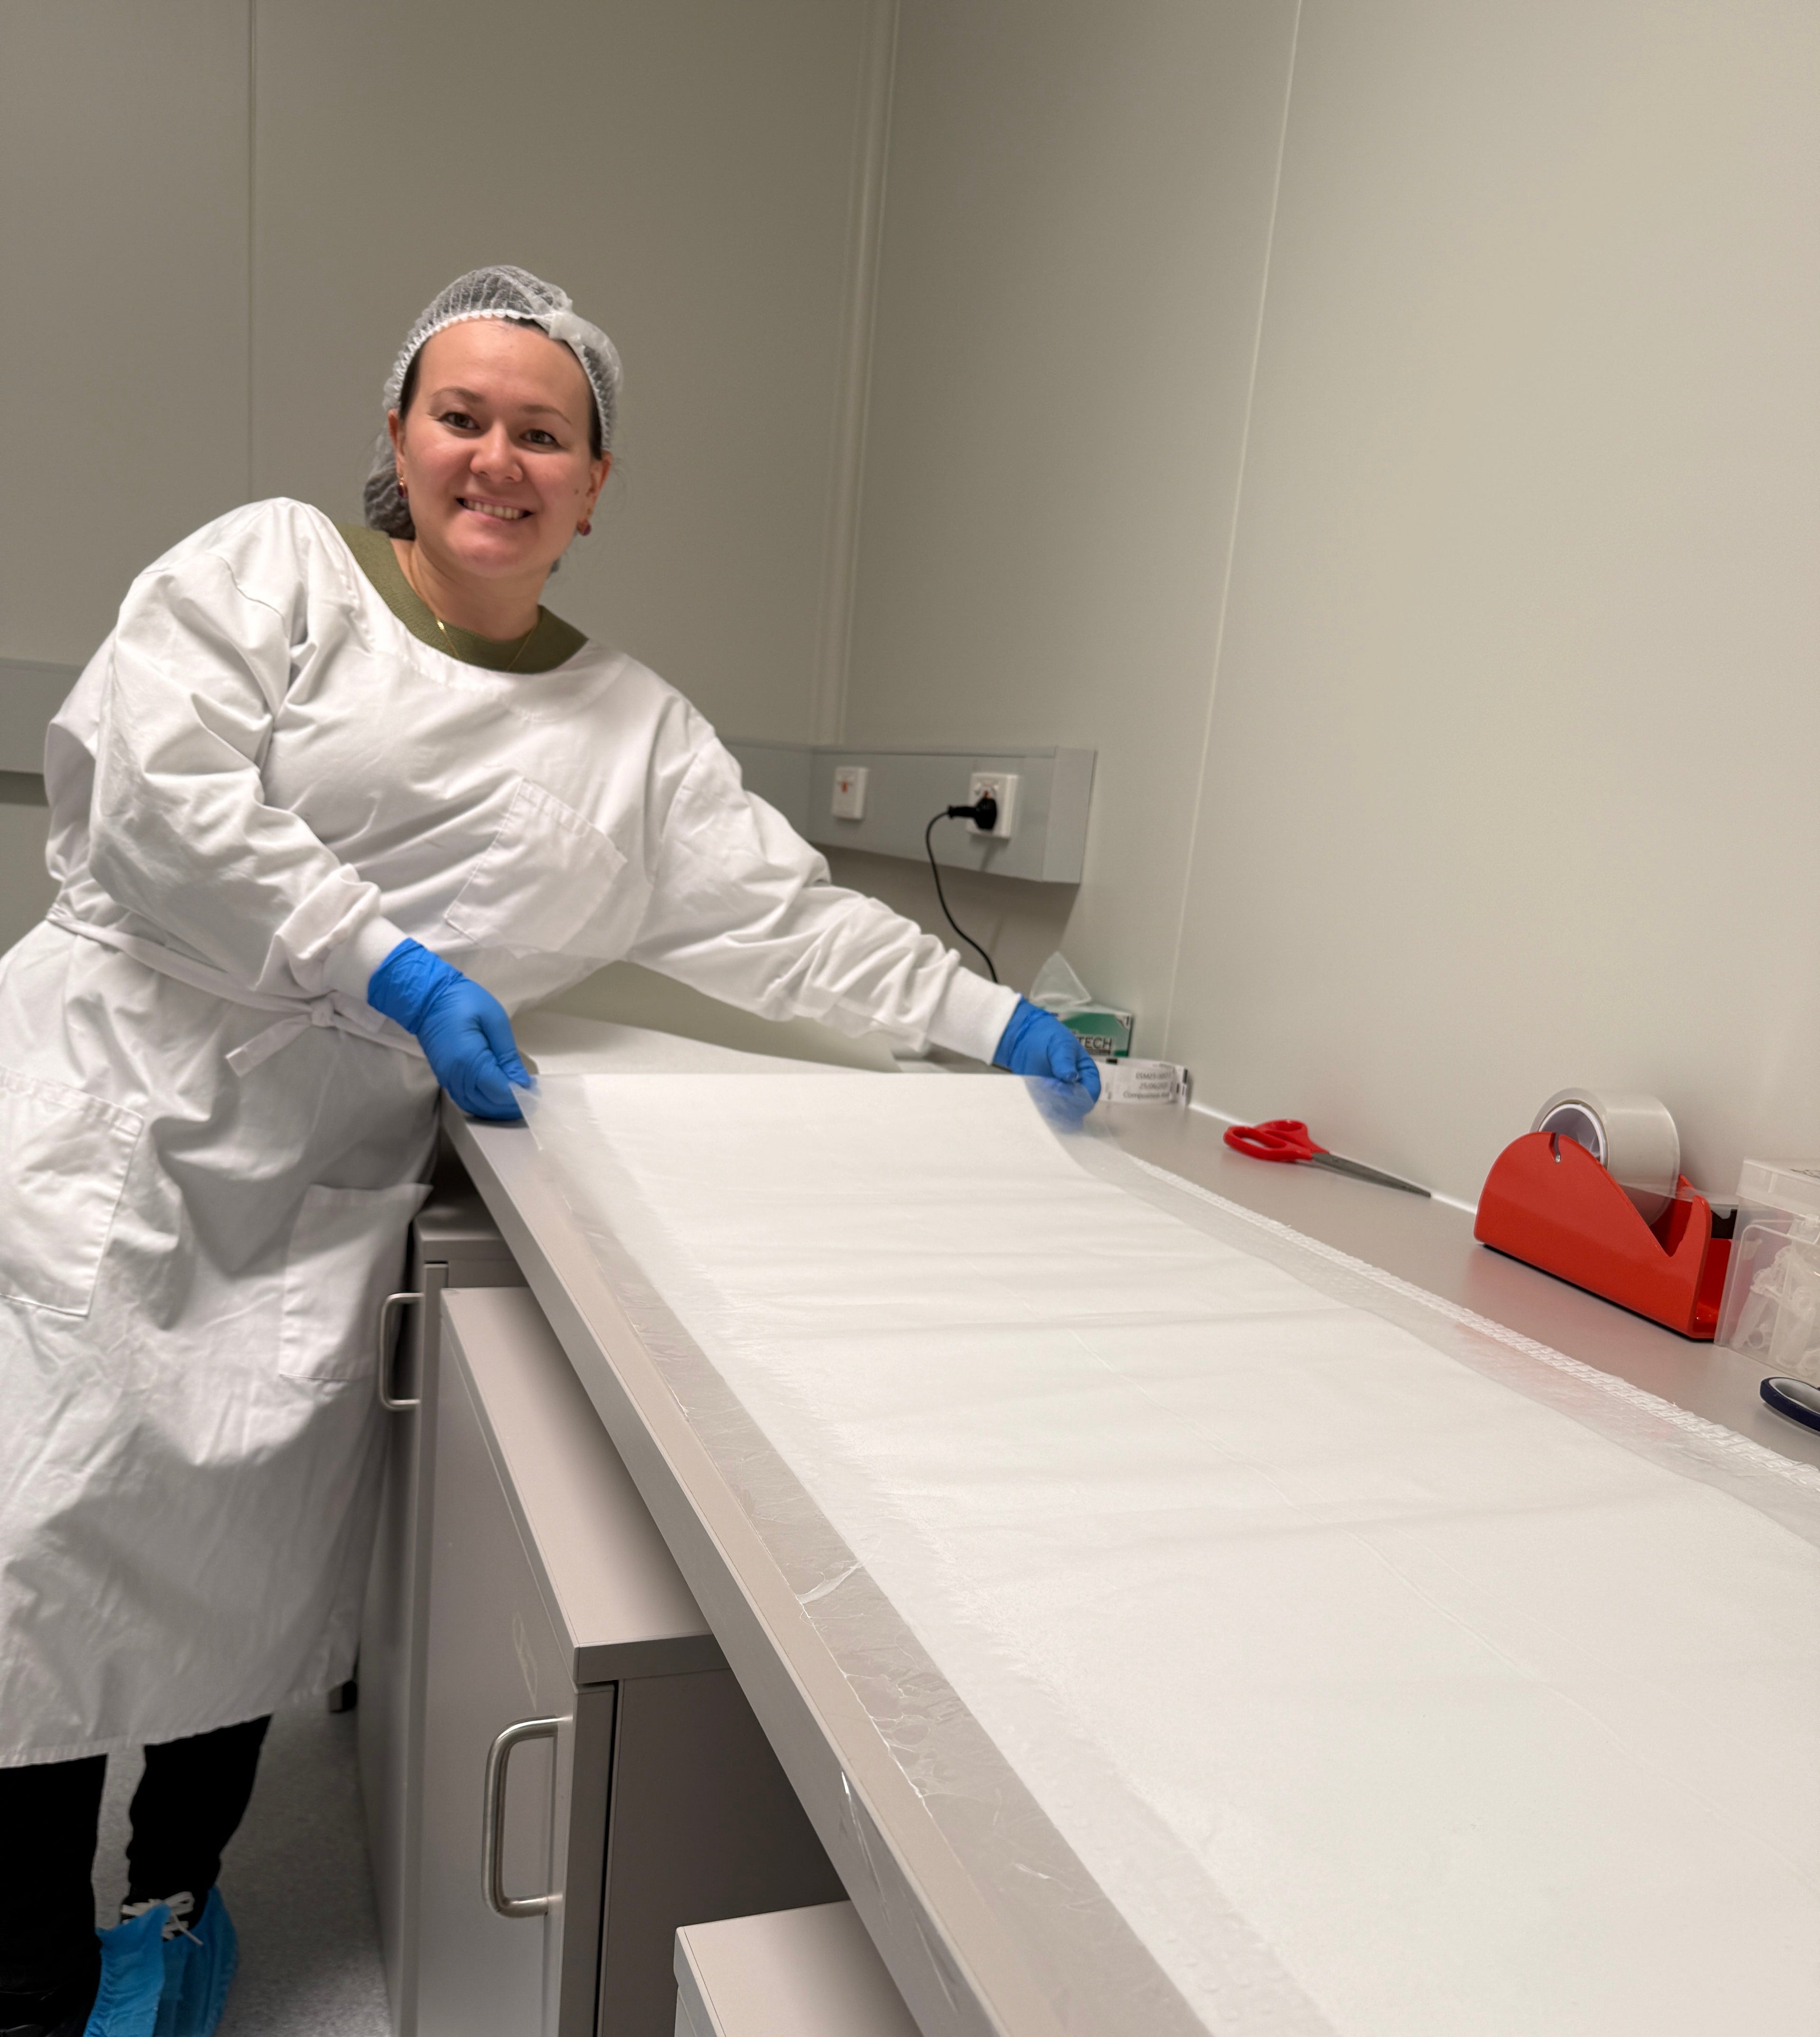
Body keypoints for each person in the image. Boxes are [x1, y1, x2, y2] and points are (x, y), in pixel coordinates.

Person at [0, 265, 1098, 2037]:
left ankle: (173, 1908)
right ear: (399, 436)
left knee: (232, 1576)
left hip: (318, 1178)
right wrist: (391, 960)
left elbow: (788, 923)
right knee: (29, 1566)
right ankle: (29, 1973)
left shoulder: (637, 734)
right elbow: (156, 791)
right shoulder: (272, 569)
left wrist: (992, 1023)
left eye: (544, 432)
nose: (497, 457)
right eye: (462, 416)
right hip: (104, 1118)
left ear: (595, 484)